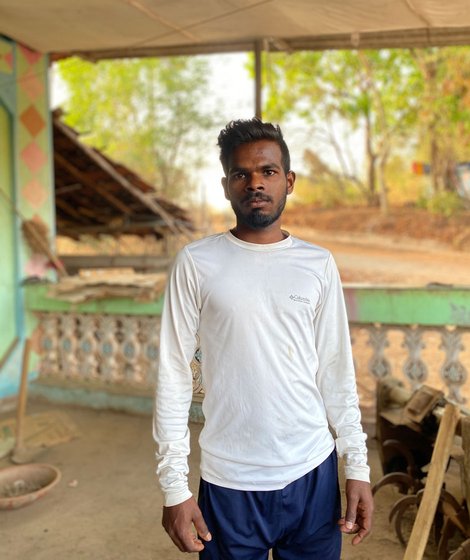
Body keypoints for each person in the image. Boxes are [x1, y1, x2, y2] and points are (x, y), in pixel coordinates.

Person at [153, 118, 373, 559]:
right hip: (230, 481)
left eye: (268, 172)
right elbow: (173, 374)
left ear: (288, 181)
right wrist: (173, 487)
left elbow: (336, 370)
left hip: (313, 472)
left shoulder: (318, 264)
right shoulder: (197, 263)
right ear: (226, 185)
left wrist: (358, 465)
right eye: (242, 174)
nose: (256, 183)